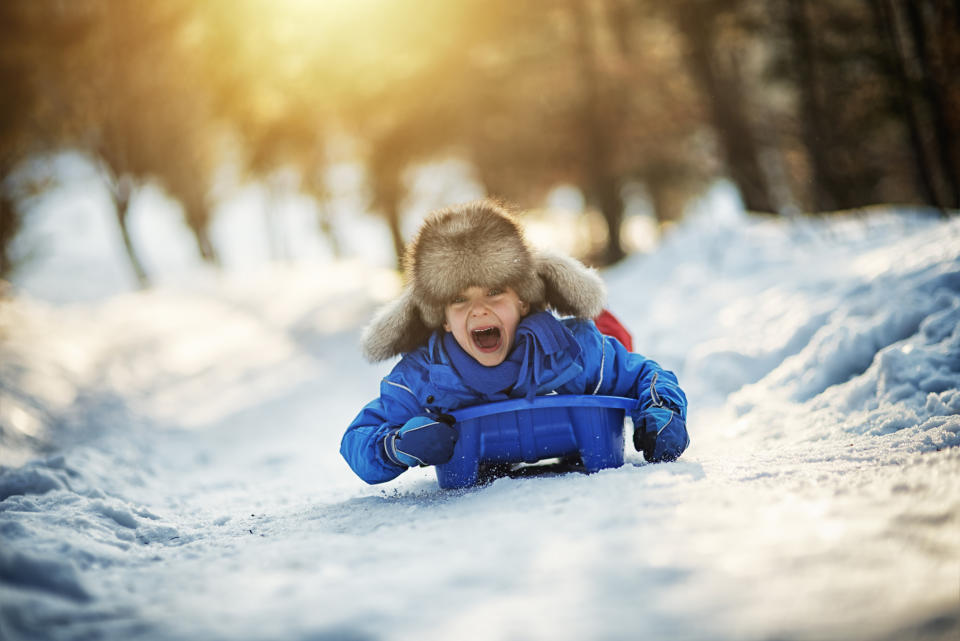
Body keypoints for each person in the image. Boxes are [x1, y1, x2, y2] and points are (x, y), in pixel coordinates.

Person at [340, 200, 689, 485]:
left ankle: (609, 324)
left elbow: (646, 375)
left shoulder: (573, 352)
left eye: (494, 293)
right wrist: (396, 446)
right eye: (460, 300)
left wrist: (662, 411)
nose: (479, 310)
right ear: (443, 319)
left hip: (575, 352)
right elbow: (358, 437)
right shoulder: (425, 377)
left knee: (611, 336)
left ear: (522, 300)